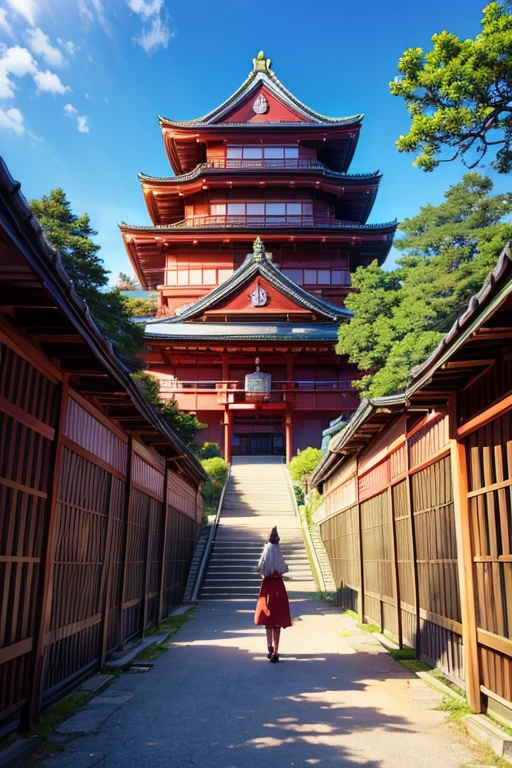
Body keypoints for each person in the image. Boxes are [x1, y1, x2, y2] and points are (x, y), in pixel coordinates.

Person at [254, 526, 292, 663]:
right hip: (278, 586)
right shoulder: (278, 550)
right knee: (277, 622)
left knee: (268, 621)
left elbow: (261, 570)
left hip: (268, 586)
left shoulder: (266, 549)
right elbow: (282, 569)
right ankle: (276, 650)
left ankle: (269, 646)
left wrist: (266, 575)